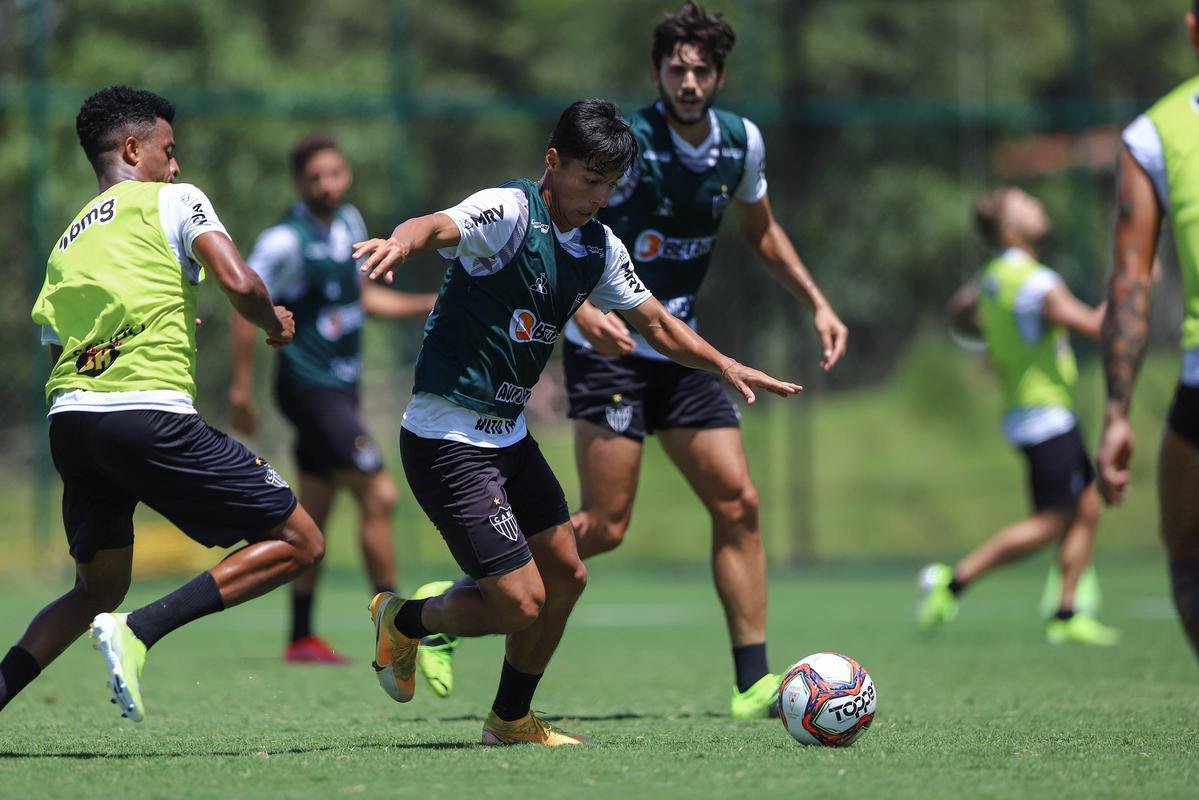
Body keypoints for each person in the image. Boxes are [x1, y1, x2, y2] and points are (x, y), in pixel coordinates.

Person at [354, 98, 802, 746]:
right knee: (521, 603)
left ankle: (509, 720)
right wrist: (400, 241)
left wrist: (725, 365)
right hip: (446, 439)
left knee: (567, 575)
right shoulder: (508, 212)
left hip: (506, 439)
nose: (597, 197)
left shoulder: (598, 246)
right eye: (589, 181)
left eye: (610, 186)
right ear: (552, 162)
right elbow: (434, 225)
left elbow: (657, 325)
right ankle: (406, 622)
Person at [0, 86, 324, 721]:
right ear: (132, 148)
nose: (175, 165)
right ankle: (140, 630)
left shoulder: (66, 242)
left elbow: (62, 348)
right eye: (168, 149)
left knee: (96, 587)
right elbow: (240, 280)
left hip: (71, 423)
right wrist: (273, 322)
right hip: (147, 416)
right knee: (301, 541)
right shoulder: (176, 199)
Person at [229, 133, 436, 664]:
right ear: (299, 182)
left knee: (313, 514)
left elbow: (360, 297)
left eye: (335, 174)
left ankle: (300, 637)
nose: (328, 184)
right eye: (316, 177)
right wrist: (240, 387)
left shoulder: (350, 225)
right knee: (380, 493)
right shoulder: (284, 241)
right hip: (308, 388)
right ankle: (399, 629)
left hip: (340, 387)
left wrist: (425, 303)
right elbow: (242, 301)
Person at [918, 187, 1119, 646]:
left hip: (1027, 413)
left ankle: (1066, 612)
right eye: (1024, 203)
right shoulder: (1037, 282)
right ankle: (953, 581)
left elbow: (959, 312)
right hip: (1047, 414)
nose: (1037, 203)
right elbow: (1096, 329)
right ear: (1011, 229)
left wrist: (991, 334)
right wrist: (1131, 285)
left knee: (1087, 506)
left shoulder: (991, 279)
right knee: (1053, 520)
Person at [1096, 2, 1199, 658]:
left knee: (1188, 550)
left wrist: (1115, 412)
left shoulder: (1155, 132)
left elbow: (1131, 281)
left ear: (1192, 29)